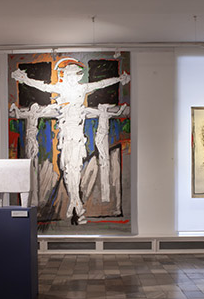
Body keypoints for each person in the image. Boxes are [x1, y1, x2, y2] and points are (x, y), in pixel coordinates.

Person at [11, 58, 130, 224]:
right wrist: (24, 79)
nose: (72, 78)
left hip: (77, 136)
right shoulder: (61, 88)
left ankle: (77, 206)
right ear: (64, 76)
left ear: (78, 76)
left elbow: (101, 84)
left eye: (74, 75)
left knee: (74, 168)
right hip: (65, 136)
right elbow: (43, 87)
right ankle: (75, 204)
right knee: (67, 169)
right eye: (69, 75)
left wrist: (118, 79)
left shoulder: (82, 88)